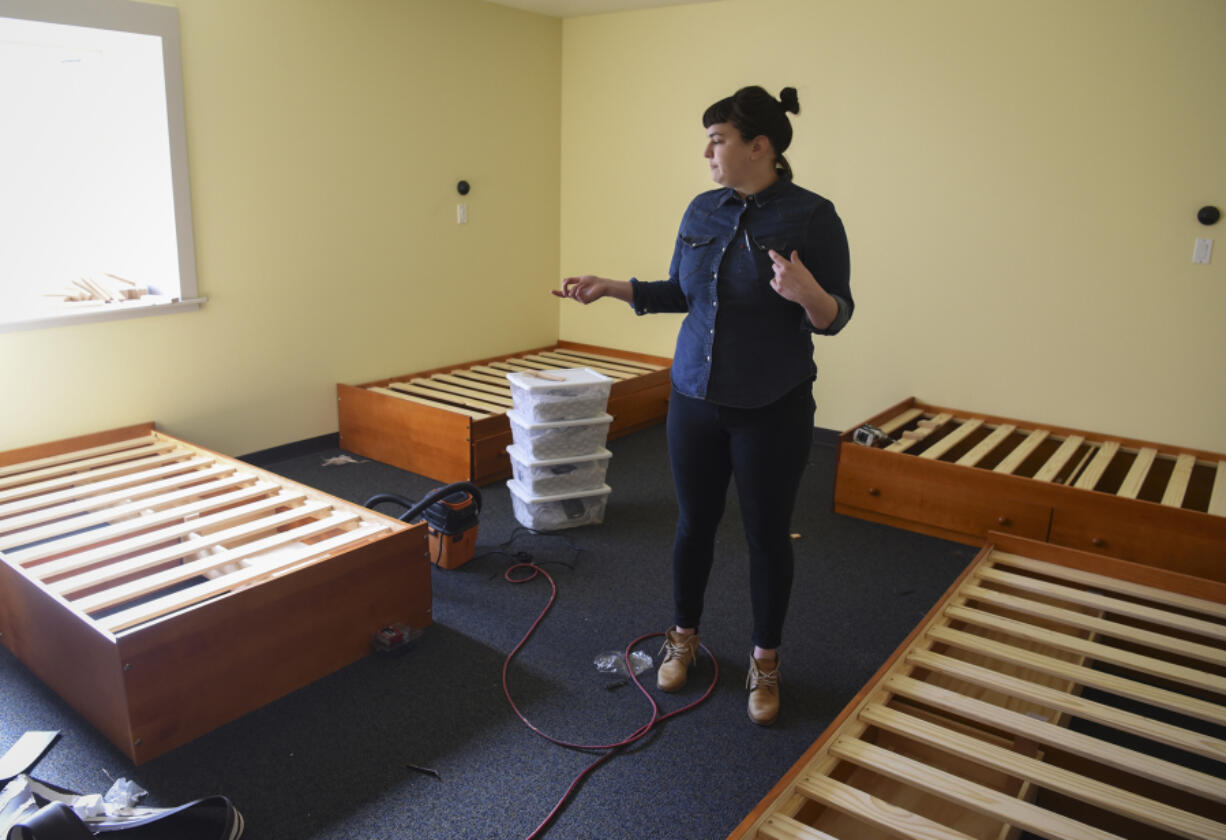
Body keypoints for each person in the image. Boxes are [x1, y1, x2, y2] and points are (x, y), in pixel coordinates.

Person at [553, 85, 852, 726]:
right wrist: (610, 287)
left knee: (767, 536)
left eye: (718, 140)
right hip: (693, 398)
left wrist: (808, 294)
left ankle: (764, 662)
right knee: (693, 526)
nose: (708, 152)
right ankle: (683, 636)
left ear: (759, 146)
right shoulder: (701, 211)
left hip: (773, 405)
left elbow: (836, 316)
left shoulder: (812, 217)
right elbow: (680, 291)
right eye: (710, 140)